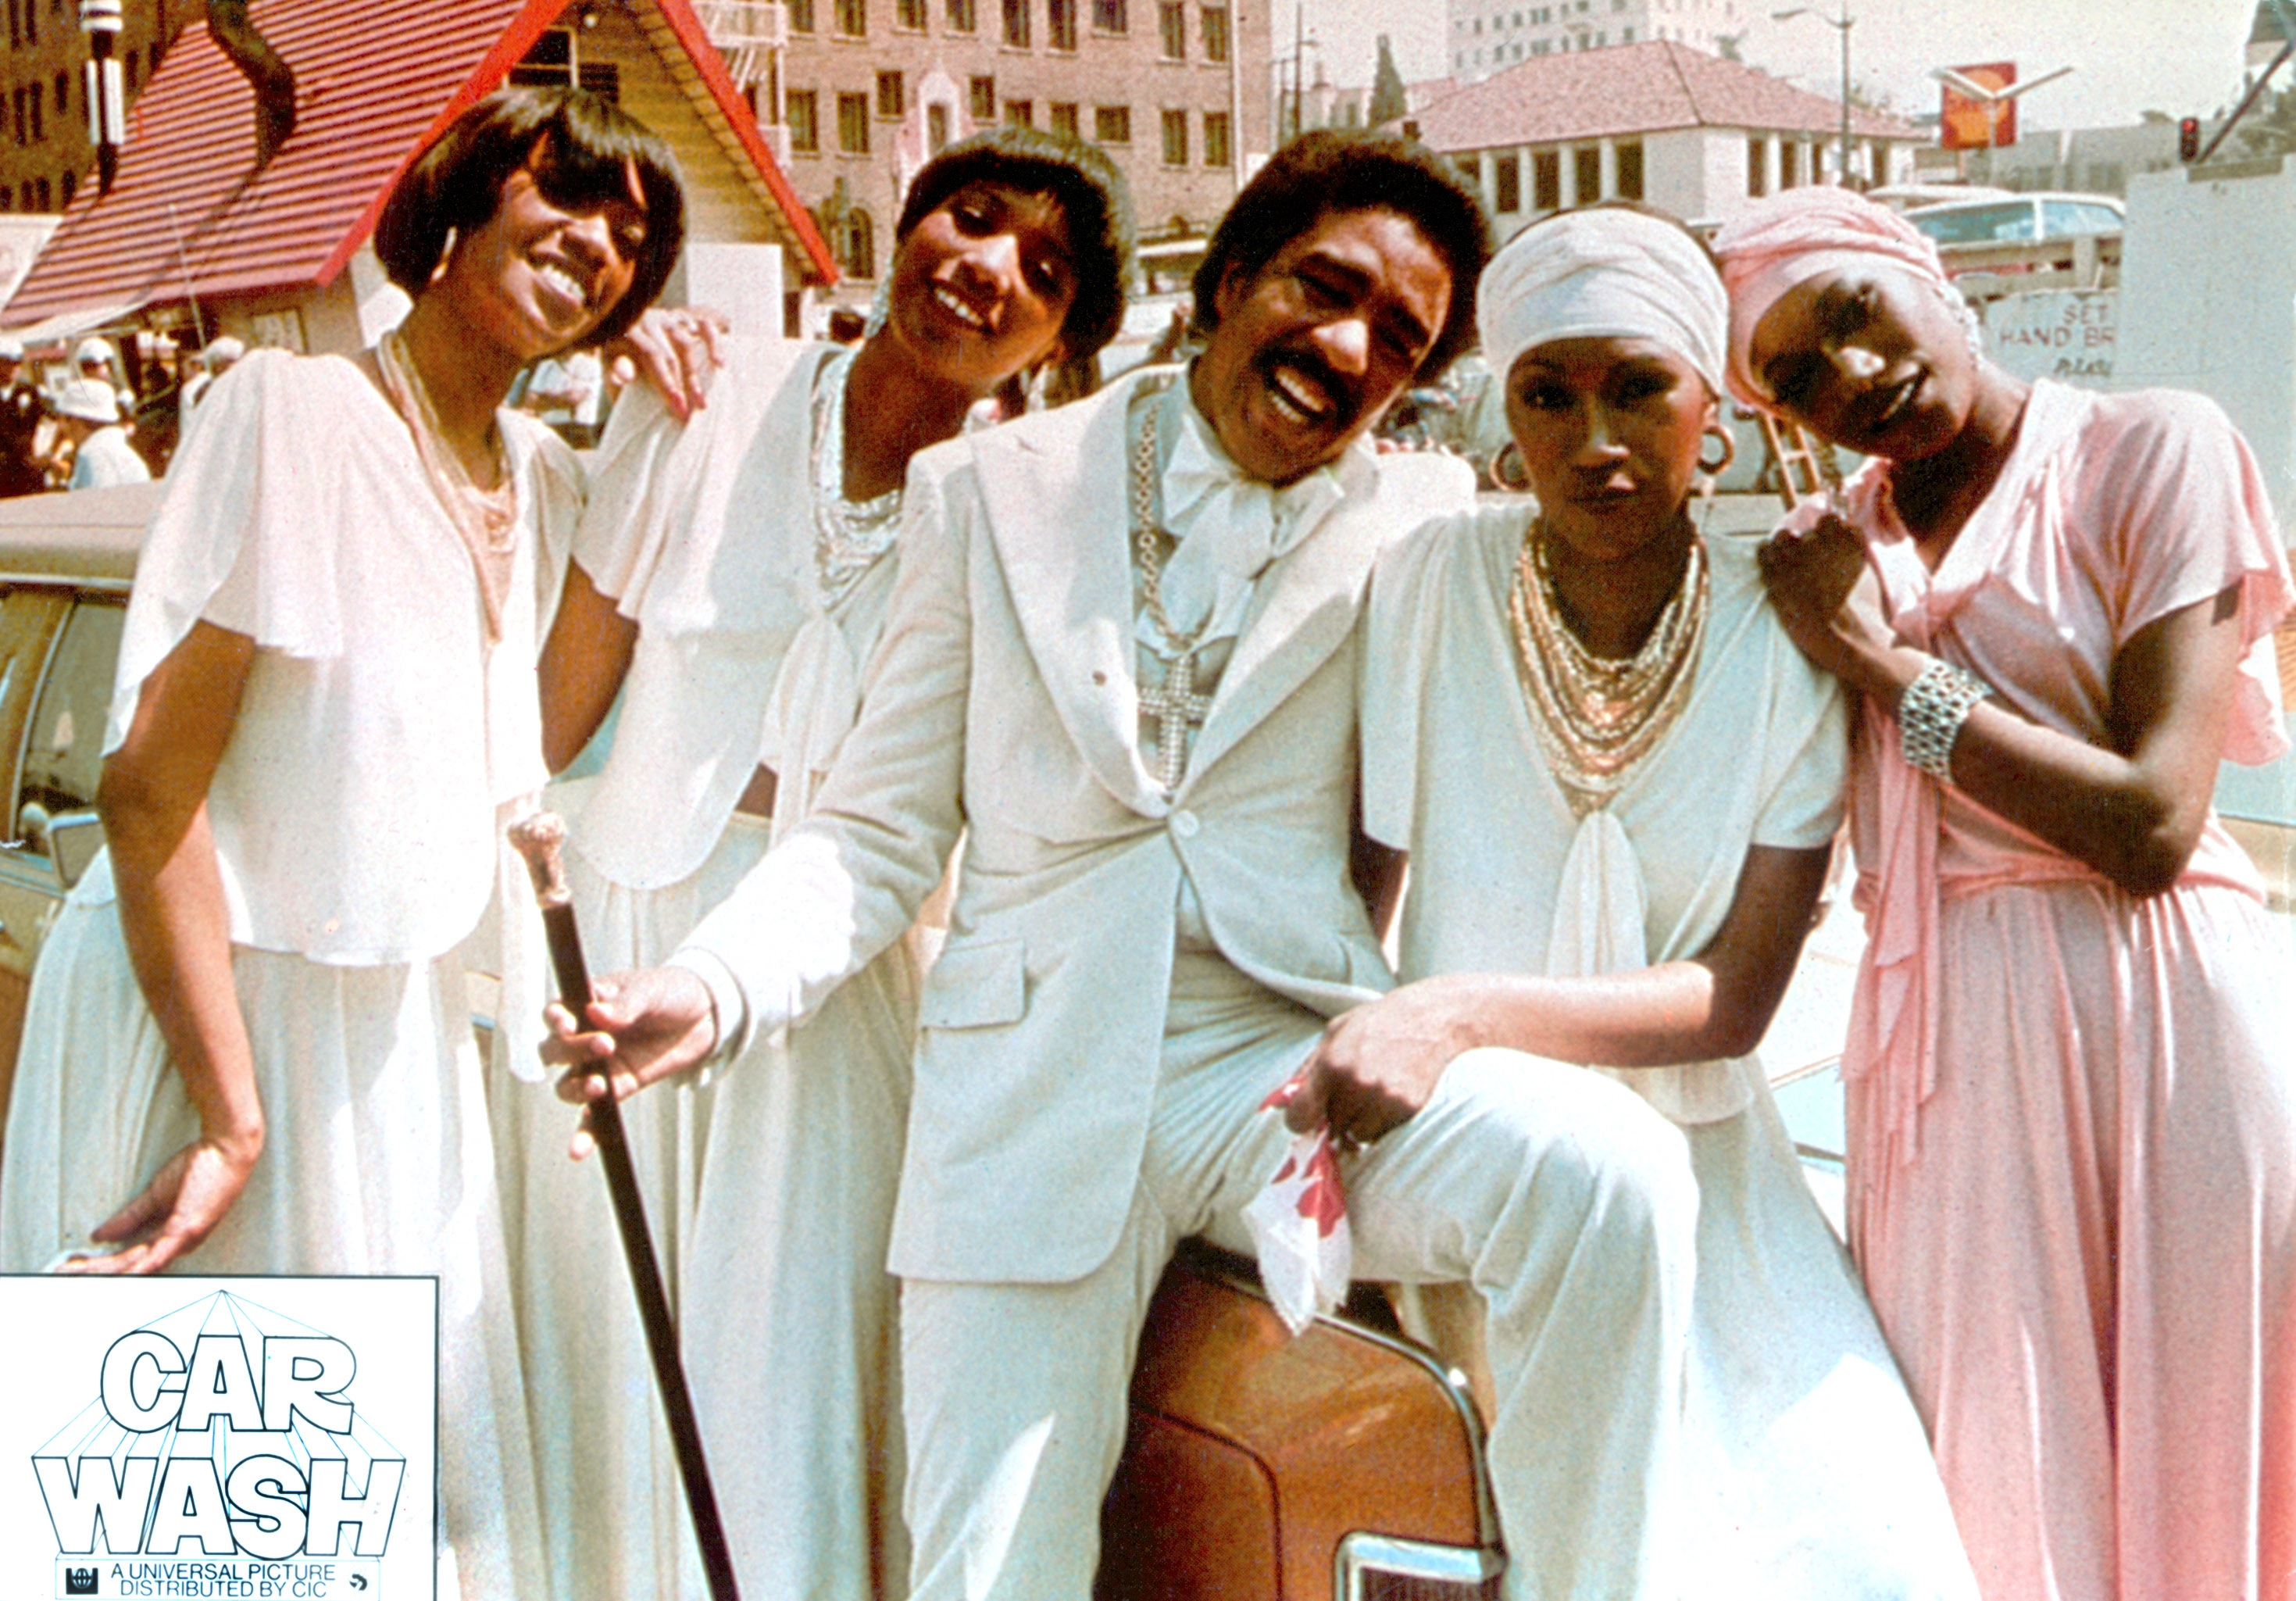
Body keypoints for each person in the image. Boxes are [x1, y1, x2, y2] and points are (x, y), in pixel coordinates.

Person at [548, 128, 1711, 1601]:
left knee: (1613, 1173)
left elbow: (1623, 541)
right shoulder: (984, 488)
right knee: (987, 1566)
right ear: (1229, 279)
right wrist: (711, 985)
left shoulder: (1421, 523)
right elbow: (873, 826)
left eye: (1397, 338)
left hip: (1275, 1070)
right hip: (1019, 1100)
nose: (1346, 345)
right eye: (1322, 286)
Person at [0, 85, 684, 1600]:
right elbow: (143, 792)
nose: (594, 242)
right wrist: (231, 1119)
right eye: (560, 192)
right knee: (221, 1543)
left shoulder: (545, 476)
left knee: (388, 1534)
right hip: (229, 1023)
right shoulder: (294, 412)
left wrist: (653, 423)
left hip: (397, 1048)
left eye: (632, 237)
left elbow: (544, 732)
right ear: (451, 207)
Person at [524, 123, 1133, 1601]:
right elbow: (555, 702)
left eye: (1041, 272)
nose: (986, 269)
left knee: (777, 1387)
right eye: (968, 219)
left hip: (831, 990)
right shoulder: (704, 392)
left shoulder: (1027, 519)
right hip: (622, 925)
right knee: (613, 1358)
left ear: (1055, 343)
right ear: (901, 226)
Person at [1338, 203, 1976, 1597]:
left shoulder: (1786, 619)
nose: (1593, 437)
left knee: (1857, 1543)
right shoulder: (1428, 579)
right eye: (1547, 396)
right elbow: (1348, 904)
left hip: (1708, 1182)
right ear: (1502, 422)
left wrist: (1454, 1008)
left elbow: (1737, 999)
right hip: (1470, 1158)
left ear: (1714, 417)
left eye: (1636, 387)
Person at [1714, 186, 2296, 1601]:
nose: (1844, 373)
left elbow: (2149, 818)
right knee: (1976, 1485)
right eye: (1791, 373)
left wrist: (1874, 666)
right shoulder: (1827, 548)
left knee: (2200, 1454)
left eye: (1851, 313)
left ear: (1929, 278)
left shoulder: (2147, 446)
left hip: (2160, 1015)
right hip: (1945, 1046)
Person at [53, 377, 149, 488]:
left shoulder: (94, 456)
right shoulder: (120, 452)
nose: (62, 427)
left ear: (76, 420)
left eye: (65, 419)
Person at [0, 334, 48, 496]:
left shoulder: (29, 391)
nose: (14, 368)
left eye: (18, 362)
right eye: (7, 362)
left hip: (27, 467)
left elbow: (49, 422)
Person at [178, 334, 245, 416]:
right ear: (216, 366)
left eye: (236, 361)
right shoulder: (204, 392)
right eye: (229, 362)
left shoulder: (243, 389)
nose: (233, 367)